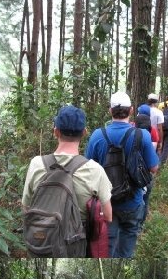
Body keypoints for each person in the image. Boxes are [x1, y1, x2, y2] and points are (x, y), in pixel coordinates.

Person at [21, 104, 113, 253]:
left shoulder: (36, 163)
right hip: (74, 244)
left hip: (41, 242)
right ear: (84, 133)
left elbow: (26, 207)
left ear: (55, 131)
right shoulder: (95, 170)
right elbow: (108, 216)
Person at [85, 92, 159, 257]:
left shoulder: (97, 135)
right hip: (133, 201)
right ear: (131, 110)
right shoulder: (142, 135)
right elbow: (154, 168)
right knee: (128, 242)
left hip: (105, 203)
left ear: (110, 111)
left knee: (108, 244)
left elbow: (87, 170)